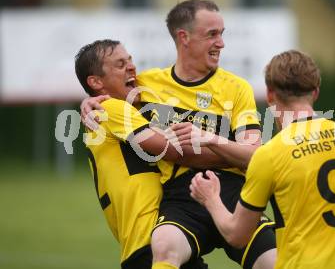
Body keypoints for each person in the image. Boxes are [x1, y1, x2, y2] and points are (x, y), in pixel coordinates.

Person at [81, 0, 277, 269]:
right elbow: (111, 92)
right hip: (183, 195)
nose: (221, 43)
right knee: (164, 246)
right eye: (212, 34)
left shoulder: (236, 88)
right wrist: (91, 100)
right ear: (183, 37)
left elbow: (254, 155)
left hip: (233, 191)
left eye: (222, 33)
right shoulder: (145, 85)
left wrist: (210, 139)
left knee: (274, 262)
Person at [189, 50, 335, 269]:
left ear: (270, 94)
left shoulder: (270, 155)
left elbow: (236, 235)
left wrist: (210, 198)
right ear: (315, 92)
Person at [75, 39, 224, 269]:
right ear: (96, 81)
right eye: (120, 64)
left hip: (167, 234)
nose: (132, 67)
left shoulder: (130, 108)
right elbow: (171, 150)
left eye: (130, 60)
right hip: (148, 242)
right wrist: (235, 156)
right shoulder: (110, 108)